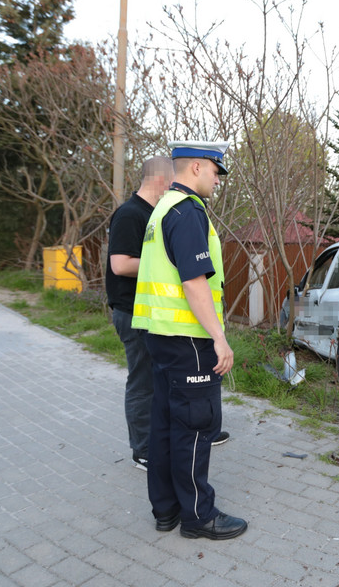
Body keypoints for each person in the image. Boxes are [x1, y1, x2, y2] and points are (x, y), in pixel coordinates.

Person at [131, 141, 247, 541]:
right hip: (189, 341)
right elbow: (193, 282)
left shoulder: (160, 209)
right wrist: (220, 339)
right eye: (216, 171)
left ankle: (166, 510)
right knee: (196, 427)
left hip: (161, 337)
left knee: (165, 425)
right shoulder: (187, 211)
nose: (218, 179)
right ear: (196, 167)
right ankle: (199, 516)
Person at [107, 157, 230, 472]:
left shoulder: (158, 213)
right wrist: (168, 260)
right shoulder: (133, 214)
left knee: (161, 388)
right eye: (215, 173)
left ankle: (186, 434)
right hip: (135, 311)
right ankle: (143, 448)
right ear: (159, 179)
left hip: (155, 314)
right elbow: (120, 265)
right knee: (143, 382)